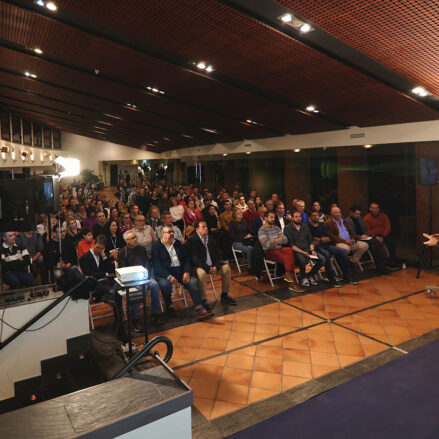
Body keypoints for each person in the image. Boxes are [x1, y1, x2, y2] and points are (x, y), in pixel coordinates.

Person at [152, 225, 214, 321]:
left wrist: (186, 272)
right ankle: (169, 306)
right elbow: (156, 265)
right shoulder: (157, 246)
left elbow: (187, 259)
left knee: (192, 282)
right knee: (164, 285)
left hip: (179, 271)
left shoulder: (177, 243)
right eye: (169, 232)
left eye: (172, 231)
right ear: (162, 234)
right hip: (165, 272)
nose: (172, 233)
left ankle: (199, 308)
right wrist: (168, 276)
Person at [79, 235, 128, 341]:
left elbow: (111, 270)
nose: (99, 250)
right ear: (94, 244)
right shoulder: (85, 258)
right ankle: (120, 328)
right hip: (95, 285)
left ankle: (120, 326)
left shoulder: (102, 256)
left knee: (119, 290)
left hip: (107, 283)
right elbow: (90, 274)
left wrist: (104, 257)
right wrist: (105, 274)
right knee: (117, 295)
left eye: (101, 248)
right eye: (97, 248)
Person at [118, 230, 164, 327]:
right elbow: (122, 268)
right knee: (136, 289)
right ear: (126, 241)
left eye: (135, 237)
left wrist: (146, 275)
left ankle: (155, 313)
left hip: (144, 276)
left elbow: (147, 263)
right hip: (132, 280)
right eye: (132, 238)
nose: (135, 239)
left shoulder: (142, 249)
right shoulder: (123, 252)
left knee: (155, 285)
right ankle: (135, 318)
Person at [188, 221, 236, 309]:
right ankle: (203, 300)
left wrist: (216, 267)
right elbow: (195, 259)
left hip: (212, 266)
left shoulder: (211, 238)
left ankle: (224, 295)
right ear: (197, 229)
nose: (206, 228)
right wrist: (207, 268)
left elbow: (218, 255)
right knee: (201, 273)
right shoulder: (193, 240)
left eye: (206, 226)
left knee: (226, 268)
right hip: (199, 266)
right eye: (203, 227)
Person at [258, 211, 304, 292]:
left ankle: (288, 273)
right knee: (289, 258)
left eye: (274, 217)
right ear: (265, 218)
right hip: (270, 252)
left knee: (289, 250)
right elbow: (266, 245)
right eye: (271, 217)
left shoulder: (276, 227)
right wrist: (279, 240)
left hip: (279, 248)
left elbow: (285, 240)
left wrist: (274, 240)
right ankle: (293, 283)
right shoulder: (262, 230)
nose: (273, 219)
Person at [308, 210, 352, 286]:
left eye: (317, 215)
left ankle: (347, 276)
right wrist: (321, 240)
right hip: (316, 248)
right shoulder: (308, 227)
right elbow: (312, 241)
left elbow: (328, 238)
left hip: (326, 245)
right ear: (310, 217)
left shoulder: (321, 225)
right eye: (314, 215)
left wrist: (320, 239)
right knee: (326, 254)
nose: (316, 217)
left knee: (343, 252)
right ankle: (331, 279)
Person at [345, 205, 389, 274]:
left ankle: (381, 263)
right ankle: (379, 265)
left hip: (365, 237)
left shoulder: (360, 218)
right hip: (357, 238)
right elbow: (351, 234)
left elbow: (366, 229)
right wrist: (360, 237)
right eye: (357, 214)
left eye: (359, 214)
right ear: (351, 213)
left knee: (376, 243)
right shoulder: (347, 221)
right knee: (375, 243)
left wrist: (366, 235)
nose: (358, 215)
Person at [284, 212, 323, 287]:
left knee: (322, 259)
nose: (298, 218)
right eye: (296, 217)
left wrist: (312, 250)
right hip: (297, 250)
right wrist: (303, 252)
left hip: (307, 249)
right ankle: (304, 277)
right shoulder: (288, 228)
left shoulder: (305, 226)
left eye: (299, 216)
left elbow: (310, 240)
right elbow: (291, 245)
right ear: (292, 218)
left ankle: (309, 275)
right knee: (301, 260)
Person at [364, 202, 399, 268]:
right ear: (370, 209)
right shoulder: (367, 218)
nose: (376, 210)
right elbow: (368, 230)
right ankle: (380, 263)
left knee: (392, 242)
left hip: (383, 235)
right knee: (376, 244)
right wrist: (375, 237)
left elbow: (388, 227)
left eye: (377, 208)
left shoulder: (384, 216)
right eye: (374, 208)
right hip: (373, 236)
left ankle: (391, 260)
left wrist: (383, 236)